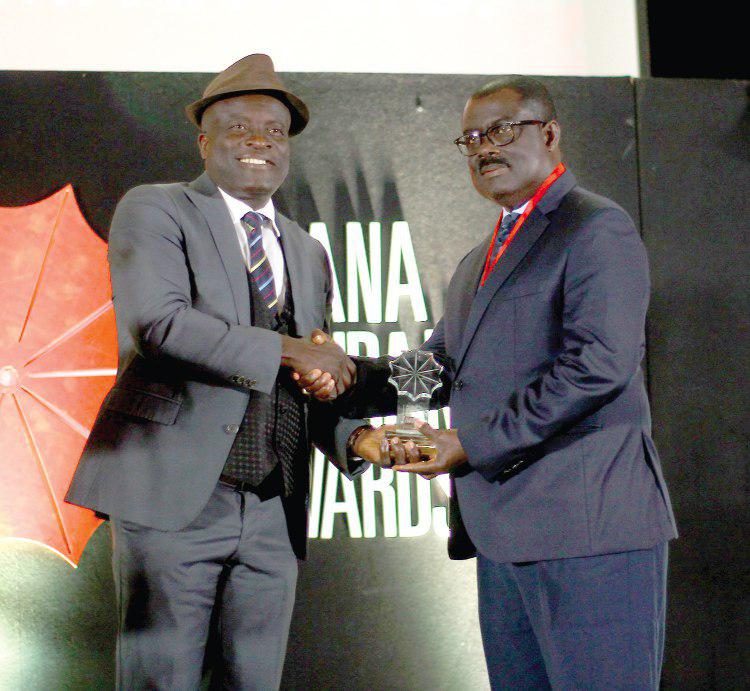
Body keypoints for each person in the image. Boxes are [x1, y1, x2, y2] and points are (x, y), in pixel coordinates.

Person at [303, 76, 678, 689]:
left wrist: (471, 443)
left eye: (502, 130)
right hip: (503, 538)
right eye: (471, 138)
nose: (484, 148)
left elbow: (599, 365)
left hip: (589, 534)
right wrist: (348, 374)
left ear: (550, 133)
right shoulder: (479, 259)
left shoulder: (594, 228)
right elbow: (438, 366)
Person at [65, 54, 387, 690]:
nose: (259, 139)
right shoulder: (156, 209)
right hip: (172, 499)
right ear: (204, 141)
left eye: (273, 129)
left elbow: (308, 379)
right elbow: (160, 324)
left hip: (272, 508)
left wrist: (356, 437)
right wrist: (296, 351)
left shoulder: (306, 249)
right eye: (238, 127)